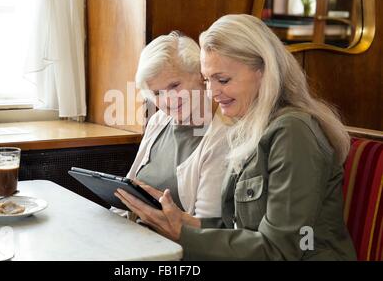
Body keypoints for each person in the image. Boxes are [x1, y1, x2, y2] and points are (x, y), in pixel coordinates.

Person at [115, 15, 357, 260]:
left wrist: (181, 234)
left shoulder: (293, 131)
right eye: (208, 80)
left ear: (263, 70)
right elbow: (238, 230)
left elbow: (279, 249)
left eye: (223, 80)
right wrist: (181, 221)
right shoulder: (250, 126)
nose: (212, 92)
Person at [119, 31, 231, 218]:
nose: (168, 100)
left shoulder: (222, 136)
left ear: (200, 75)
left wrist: (161, 214)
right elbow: (128, 189)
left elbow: (207, 227)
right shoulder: (158, 121)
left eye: (174, 85)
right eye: (157, 93)